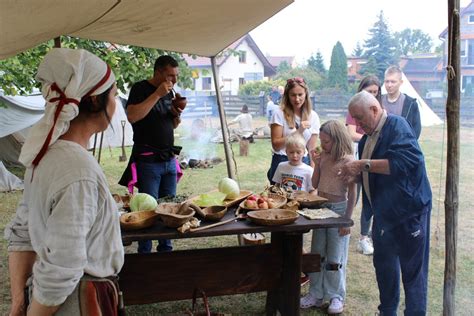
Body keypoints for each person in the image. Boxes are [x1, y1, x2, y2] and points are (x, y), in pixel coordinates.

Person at [4, 48, 124, 315]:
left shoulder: (44, 157)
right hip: (78, 301)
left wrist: (18, 304)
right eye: (114, 94)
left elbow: (22, 233)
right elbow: (63, 265)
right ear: (95, 99)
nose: (115, 103)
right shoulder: (77, 170)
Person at [341, 91, 432, 315]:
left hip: (409, 214)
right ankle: (387, 312)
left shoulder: (397, 125)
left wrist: (362, 165)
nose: (359, 125)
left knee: (413, 274)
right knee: (384, 268)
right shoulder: (365, 141)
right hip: (384, 217)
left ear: (374, 109)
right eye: (355, 120)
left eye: (360, 118)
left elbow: (407, 162)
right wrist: (353, 175)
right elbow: (371, 173)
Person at [119, 55, 185, 253]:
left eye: (176, 76)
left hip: (169, 159)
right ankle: (145, 253)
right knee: (147, 211)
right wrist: (157, 94)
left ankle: (166, 250)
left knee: (169, 210)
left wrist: (175, 117)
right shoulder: (141, 89)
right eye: (170, 75)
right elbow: (132, 116)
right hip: (148, 161)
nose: (174, 80)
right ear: (158, 72)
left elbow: (167, 124)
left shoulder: (168, 92)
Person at [300, 120, 356, 314]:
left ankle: (335, 296)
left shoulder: (348, 160)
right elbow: (314, 183)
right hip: (321, 208)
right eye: (321, 141)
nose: (322, 145)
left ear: (338, 140)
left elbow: (353, 193)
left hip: (339, 210)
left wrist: (347, 220)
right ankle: (315, 292)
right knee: (317, 253)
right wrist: (316, 163)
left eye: (326, 142)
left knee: (335, 256)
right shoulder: (323, 157)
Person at [345, 75, 382, 256]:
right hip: (358, 154)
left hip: (369, 158)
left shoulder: (385, 117)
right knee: (357, 194)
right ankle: (349, 227)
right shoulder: (355, 110)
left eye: (376, 92)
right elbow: (351, 134)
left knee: (371, 196)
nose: (374, 95)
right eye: (370, 92)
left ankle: (367, 236)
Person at [267, 77, 320, 184]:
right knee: (279, 198)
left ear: (306, 94)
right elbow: (276, 145)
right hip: (282, 160)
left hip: (303, 161)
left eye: (300, 95)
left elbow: (311, 148)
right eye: (293, 95)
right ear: (287, 96)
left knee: (303, 198)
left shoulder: (313, 116)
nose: (297, 99)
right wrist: (299, 131)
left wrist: (313, 171)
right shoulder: (279, 114)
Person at [382, 65, 421, 139]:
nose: (389, 85)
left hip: (403, 146)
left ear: (401, 82)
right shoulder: (378, 101)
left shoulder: (411, 104)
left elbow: (416, 130)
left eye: (393, 82)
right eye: (387, 81)